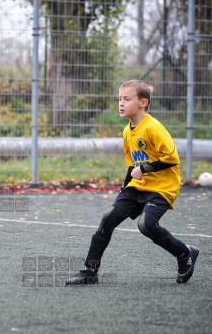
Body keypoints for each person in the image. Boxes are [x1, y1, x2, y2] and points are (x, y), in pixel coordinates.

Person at [66, 79, 199, 285]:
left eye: (127, 99)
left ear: (143, 103)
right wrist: (124, 190)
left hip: (162, 188)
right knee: (108, 218)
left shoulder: (153, 128)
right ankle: (89, 272)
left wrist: (144, 169)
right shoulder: (127, 131)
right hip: (138, 186)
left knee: (146, 225)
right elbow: (132, 166)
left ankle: (184, 254)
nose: (121, 103)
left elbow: (172, 159)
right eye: (119, 99)